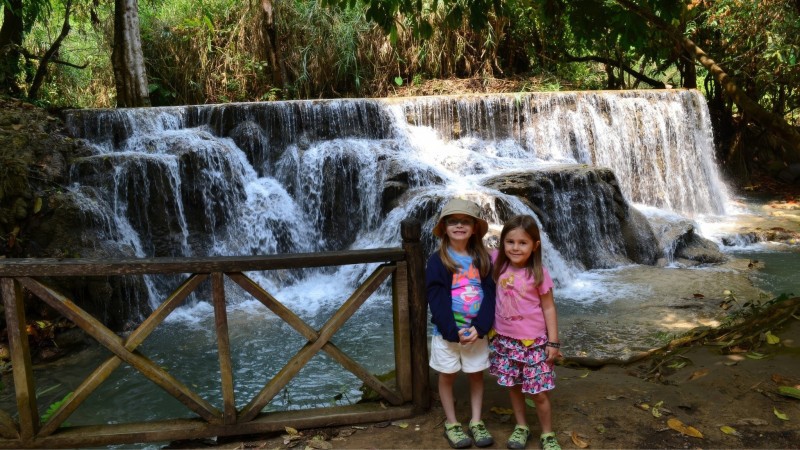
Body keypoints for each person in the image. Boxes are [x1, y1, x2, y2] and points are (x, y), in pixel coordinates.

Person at [426, 198, 497, 449]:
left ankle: (476, 420)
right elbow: (436, 298)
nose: (459, 225)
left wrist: (481, 327)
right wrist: (452, 331)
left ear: (474, 228)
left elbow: (490, 295)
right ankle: (452, 422)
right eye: (453, 221)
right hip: (447, 333)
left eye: (465, 221)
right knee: (447, 376)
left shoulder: (484, 259)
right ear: (444, 227)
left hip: (477, 332)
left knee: (476, 375)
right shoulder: (438, 261)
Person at [488, 214, 561, 450]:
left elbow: (549, 308)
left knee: (538, 392)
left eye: (522, 243)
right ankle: (521, 426)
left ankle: (547, 434)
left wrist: (554, 342)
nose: (515, 248)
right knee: (514, 387)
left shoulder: (538, 273)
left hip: (535, 343)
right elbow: (472, 248)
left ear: (534, 246)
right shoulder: (496, 261)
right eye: (510, 242)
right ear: (502, 244)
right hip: (506, 341)